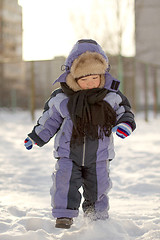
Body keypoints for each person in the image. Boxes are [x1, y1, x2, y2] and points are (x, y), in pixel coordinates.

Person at [24, 39, 136, 229]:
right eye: (84, 80)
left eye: (95, 78)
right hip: (68, 153)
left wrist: (124, 125)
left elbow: (124, 112)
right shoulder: (62, 98)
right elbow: (50, 120)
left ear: (102, 75)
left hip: (99, 155)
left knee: (98, 186)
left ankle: (97, 217)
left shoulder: (111, 96)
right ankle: (64, 215)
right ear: (74, 78)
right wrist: (36, 136)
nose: (91, 83)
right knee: (64, 181)